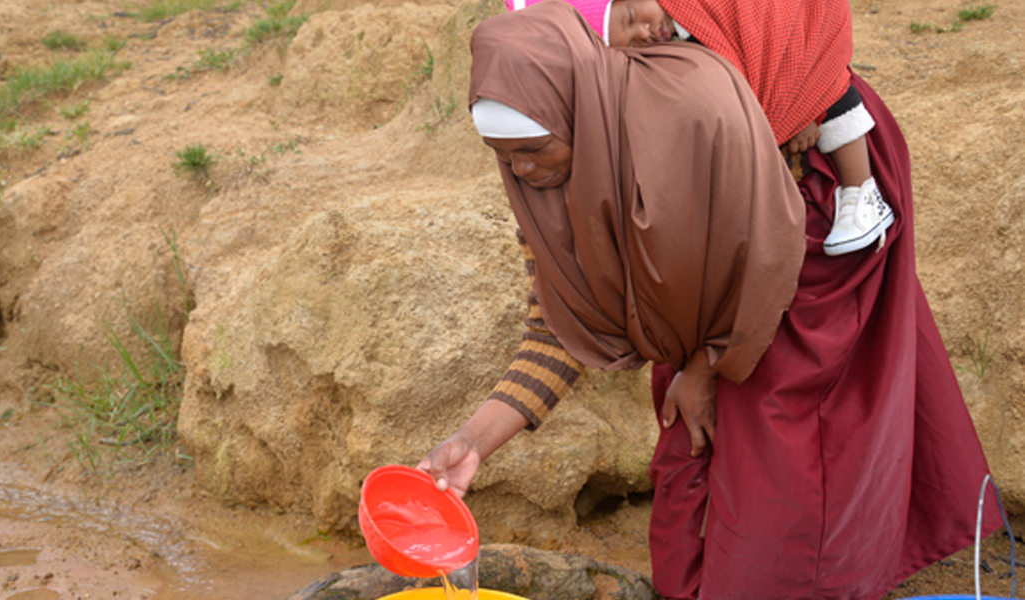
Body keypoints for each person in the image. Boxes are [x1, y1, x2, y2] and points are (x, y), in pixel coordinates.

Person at [418, 2, 1002, 599]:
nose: (521, 170)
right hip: (707, 289)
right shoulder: (547, 172)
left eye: (535, 149)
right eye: (503, 155)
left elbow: (767, 250)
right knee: (692, 457)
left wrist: (705, 367)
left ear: (580, 113)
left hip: (806, 223)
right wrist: (472, 443)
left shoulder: (693, 108)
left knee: (787, 466)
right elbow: (556, 331)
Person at [504, 0, 893, 257]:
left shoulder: (699, 12)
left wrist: (801, 104)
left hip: (808, 56)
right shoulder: (650, 65)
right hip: (760, 169)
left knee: (834, 97)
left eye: (630, 17)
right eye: (632, 44)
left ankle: (862, 192)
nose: (645, 32)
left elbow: (771, 34)